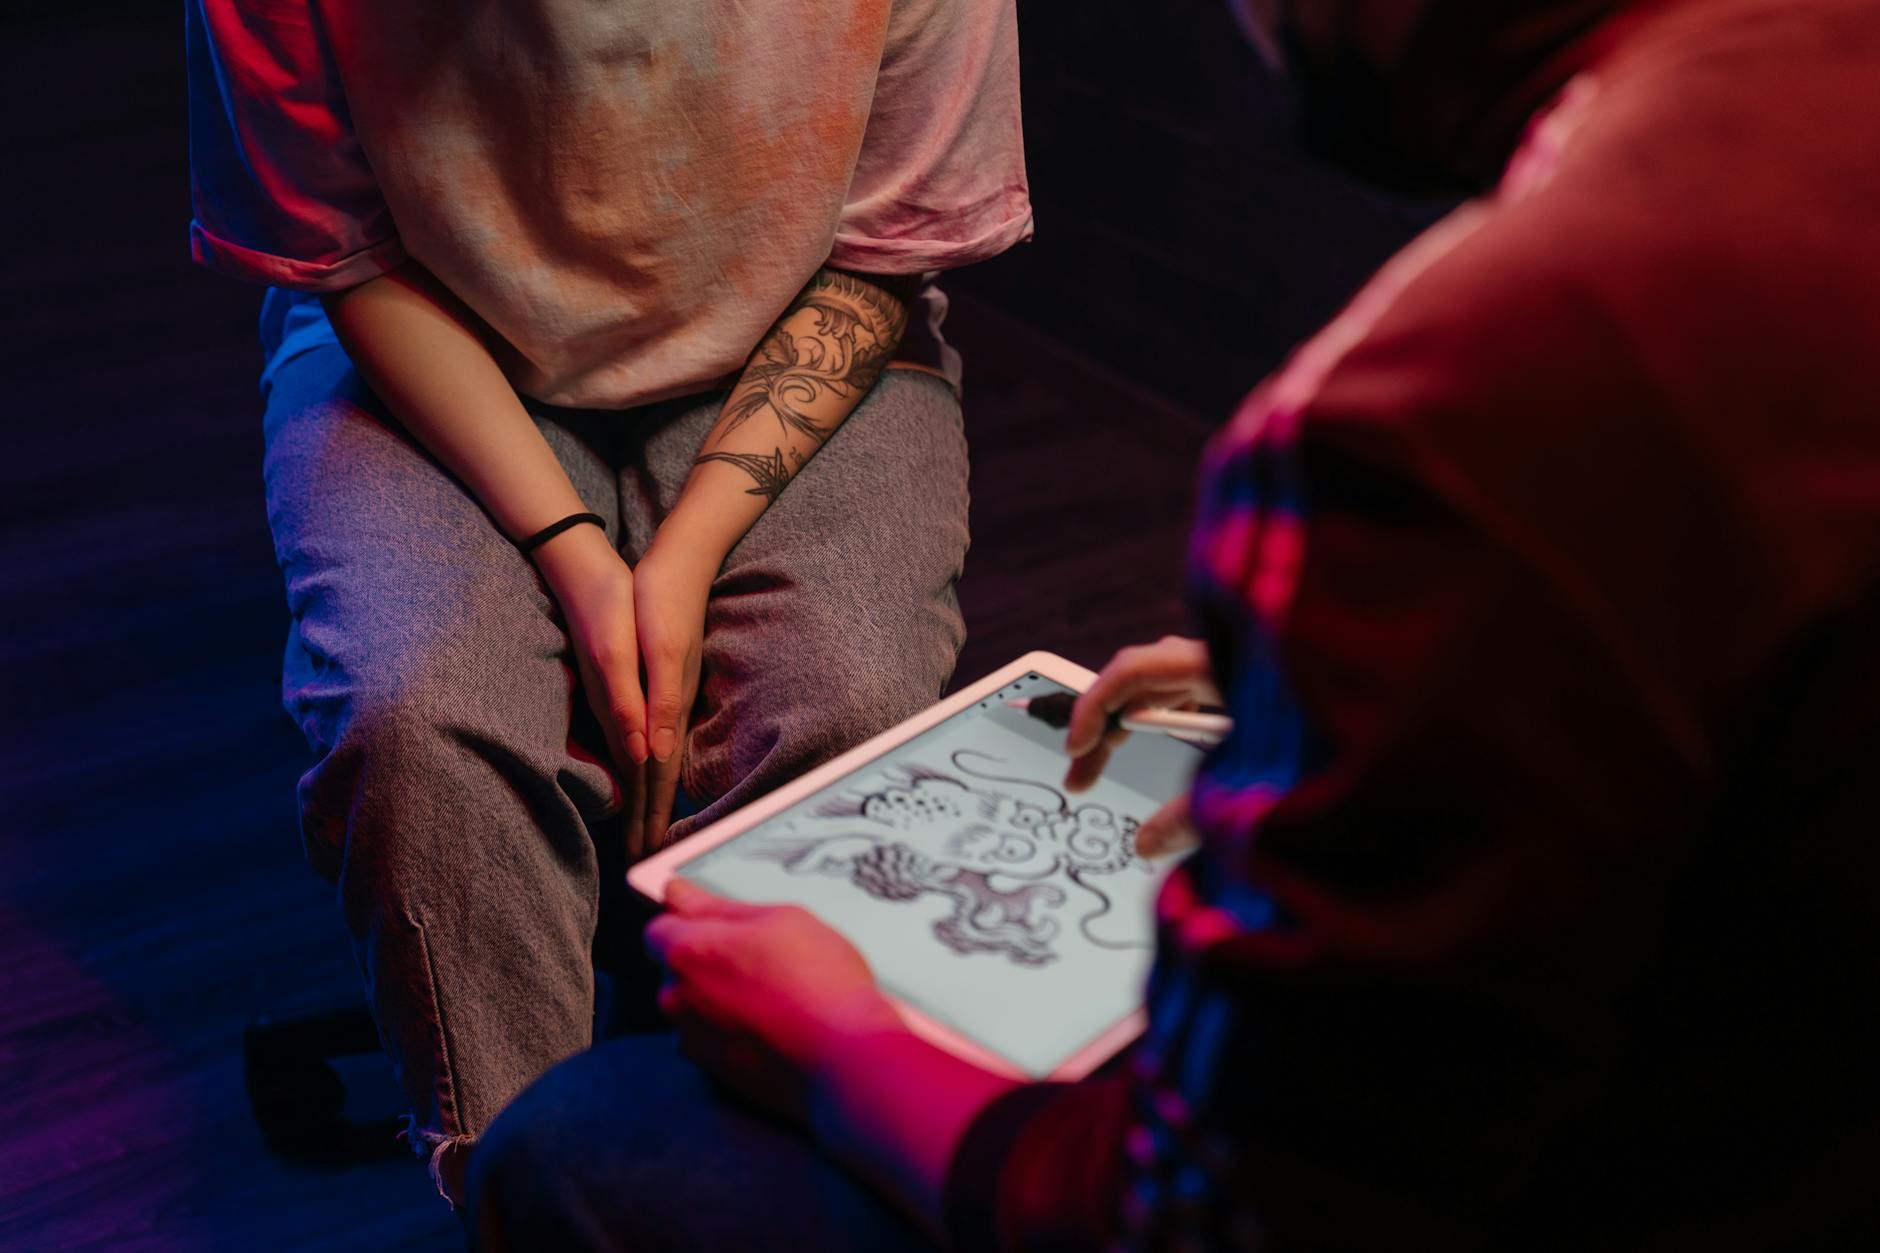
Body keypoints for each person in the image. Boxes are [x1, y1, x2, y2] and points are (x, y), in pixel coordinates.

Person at [464, 0, 1880, 1248]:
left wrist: (844, 1047)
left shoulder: (1455, 396)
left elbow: (1203, 1212)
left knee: (582, 1142)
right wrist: (1394, 671)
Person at [186, 0, 1030, 1203]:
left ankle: (764, 1196)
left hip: (800, 319)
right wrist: (574, 550)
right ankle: (531, 1196)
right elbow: (347, 255)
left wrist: (683, 555)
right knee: (423, 722)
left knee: (843, 708)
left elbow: (877, 252)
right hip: (426, 322)